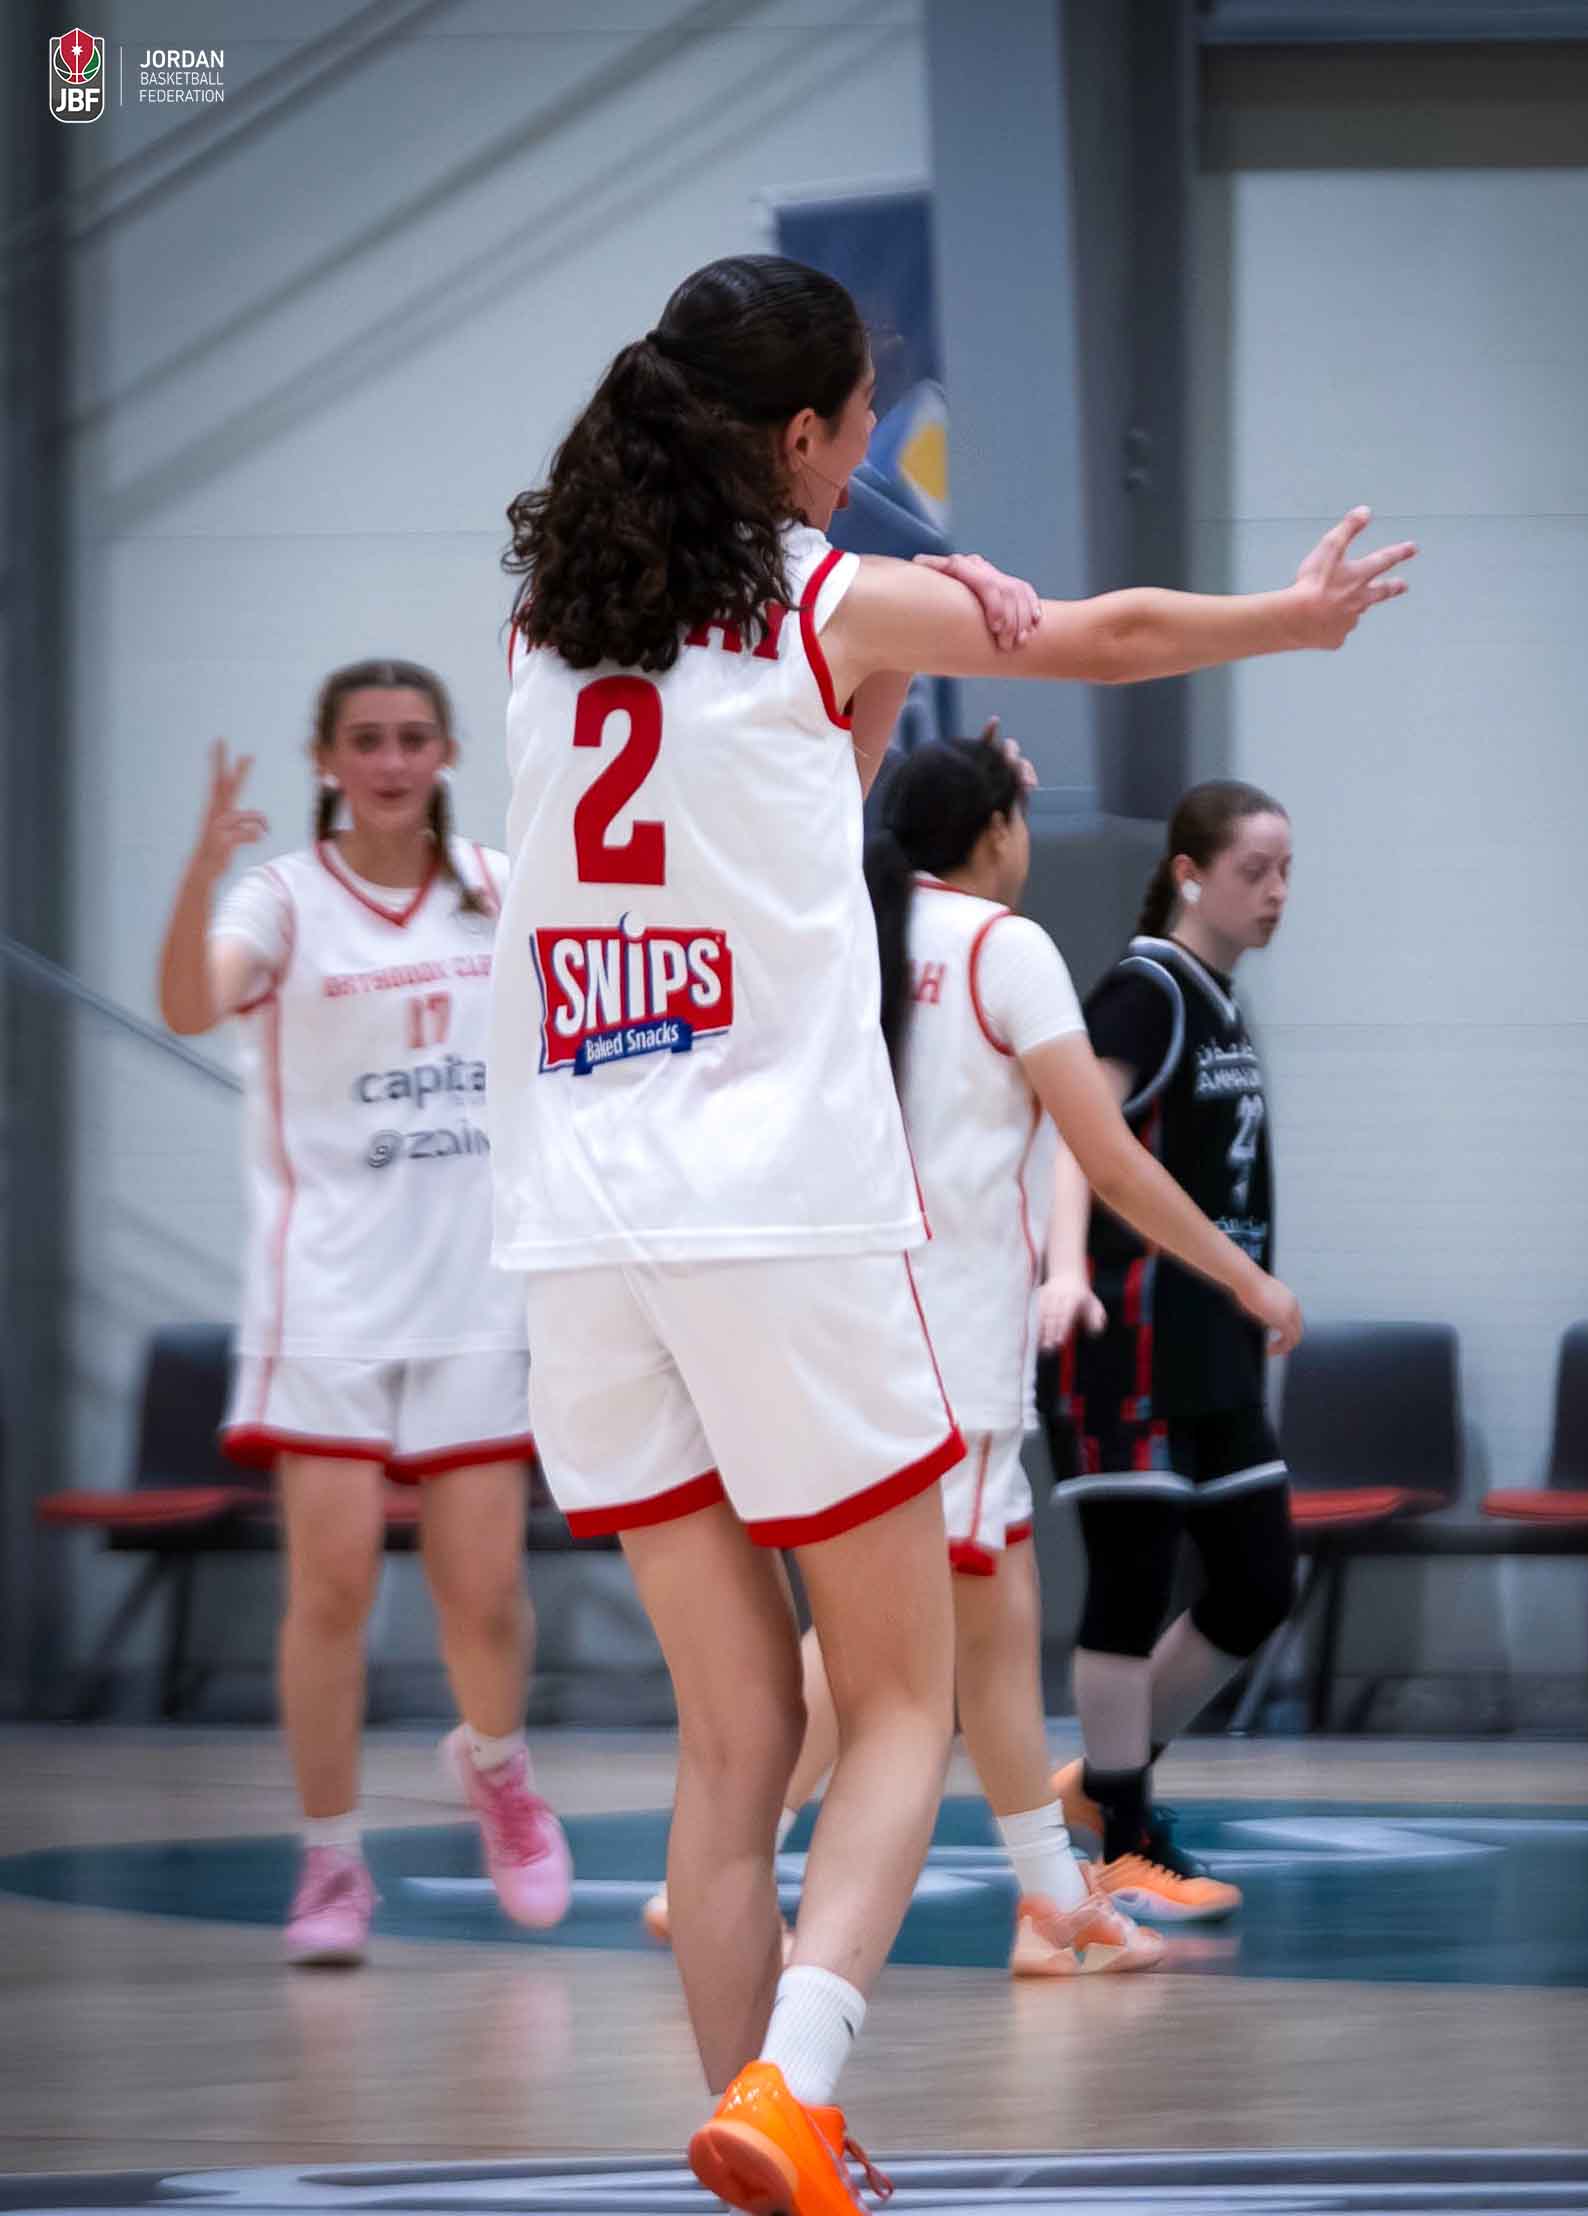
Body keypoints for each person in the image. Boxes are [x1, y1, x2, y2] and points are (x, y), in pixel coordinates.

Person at [493, 252, 1412, 2216]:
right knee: (900, 1696)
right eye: (850, 427)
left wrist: (900, 642)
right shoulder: (825, 593)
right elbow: (1107, 633)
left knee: (734, 1732)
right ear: (803, 436)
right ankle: (800, 2081)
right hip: (772, 1208)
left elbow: (785, 795)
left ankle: (767, 2131)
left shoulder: (545, 628)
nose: (854, 463)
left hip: (574, 1227)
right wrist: (1294, 620)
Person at [642, 728, 1299, 1978]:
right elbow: (1110, 1156)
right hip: (943, 1343)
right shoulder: (1006, 947)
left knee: (991, 1632)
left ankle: (1053, 1901)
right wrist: (1242, 1272)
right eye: (1019, 816)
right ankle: (723, 1858)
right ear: (998, 832)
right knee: (889, 1640)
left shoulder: (837, 929)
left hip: (832, 1323)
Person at [156, 660, 572, 1969]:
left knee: (483, 1594)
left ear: (446, 753)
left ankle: (496, 1764)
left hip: (473, 1287)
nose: (390, 761)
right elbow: (190, 1001)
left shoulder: (500, 886)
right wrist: (197, 870)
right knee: (329, 1588)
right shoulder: (279, 899)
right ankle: (331, 1860)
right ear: (326, 759)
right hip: (327, 1291)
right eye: (366, 740)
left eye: (411, 738)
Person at [1040, 781, 1299, 1924]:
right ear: (1190, 873)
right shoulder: (1144, 988)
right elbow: (1077, 1136)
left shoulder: (1221, 1002)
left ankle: (1109, 1778)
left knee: (1258, 1579)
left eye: (1286, 869)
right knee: (1133, 1577)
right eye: (1254, 869)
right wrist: (1062, 1267)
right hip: (1126, 1329)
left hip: (1212, 1342)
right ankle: (1124, 1832)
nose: (1277, 890)